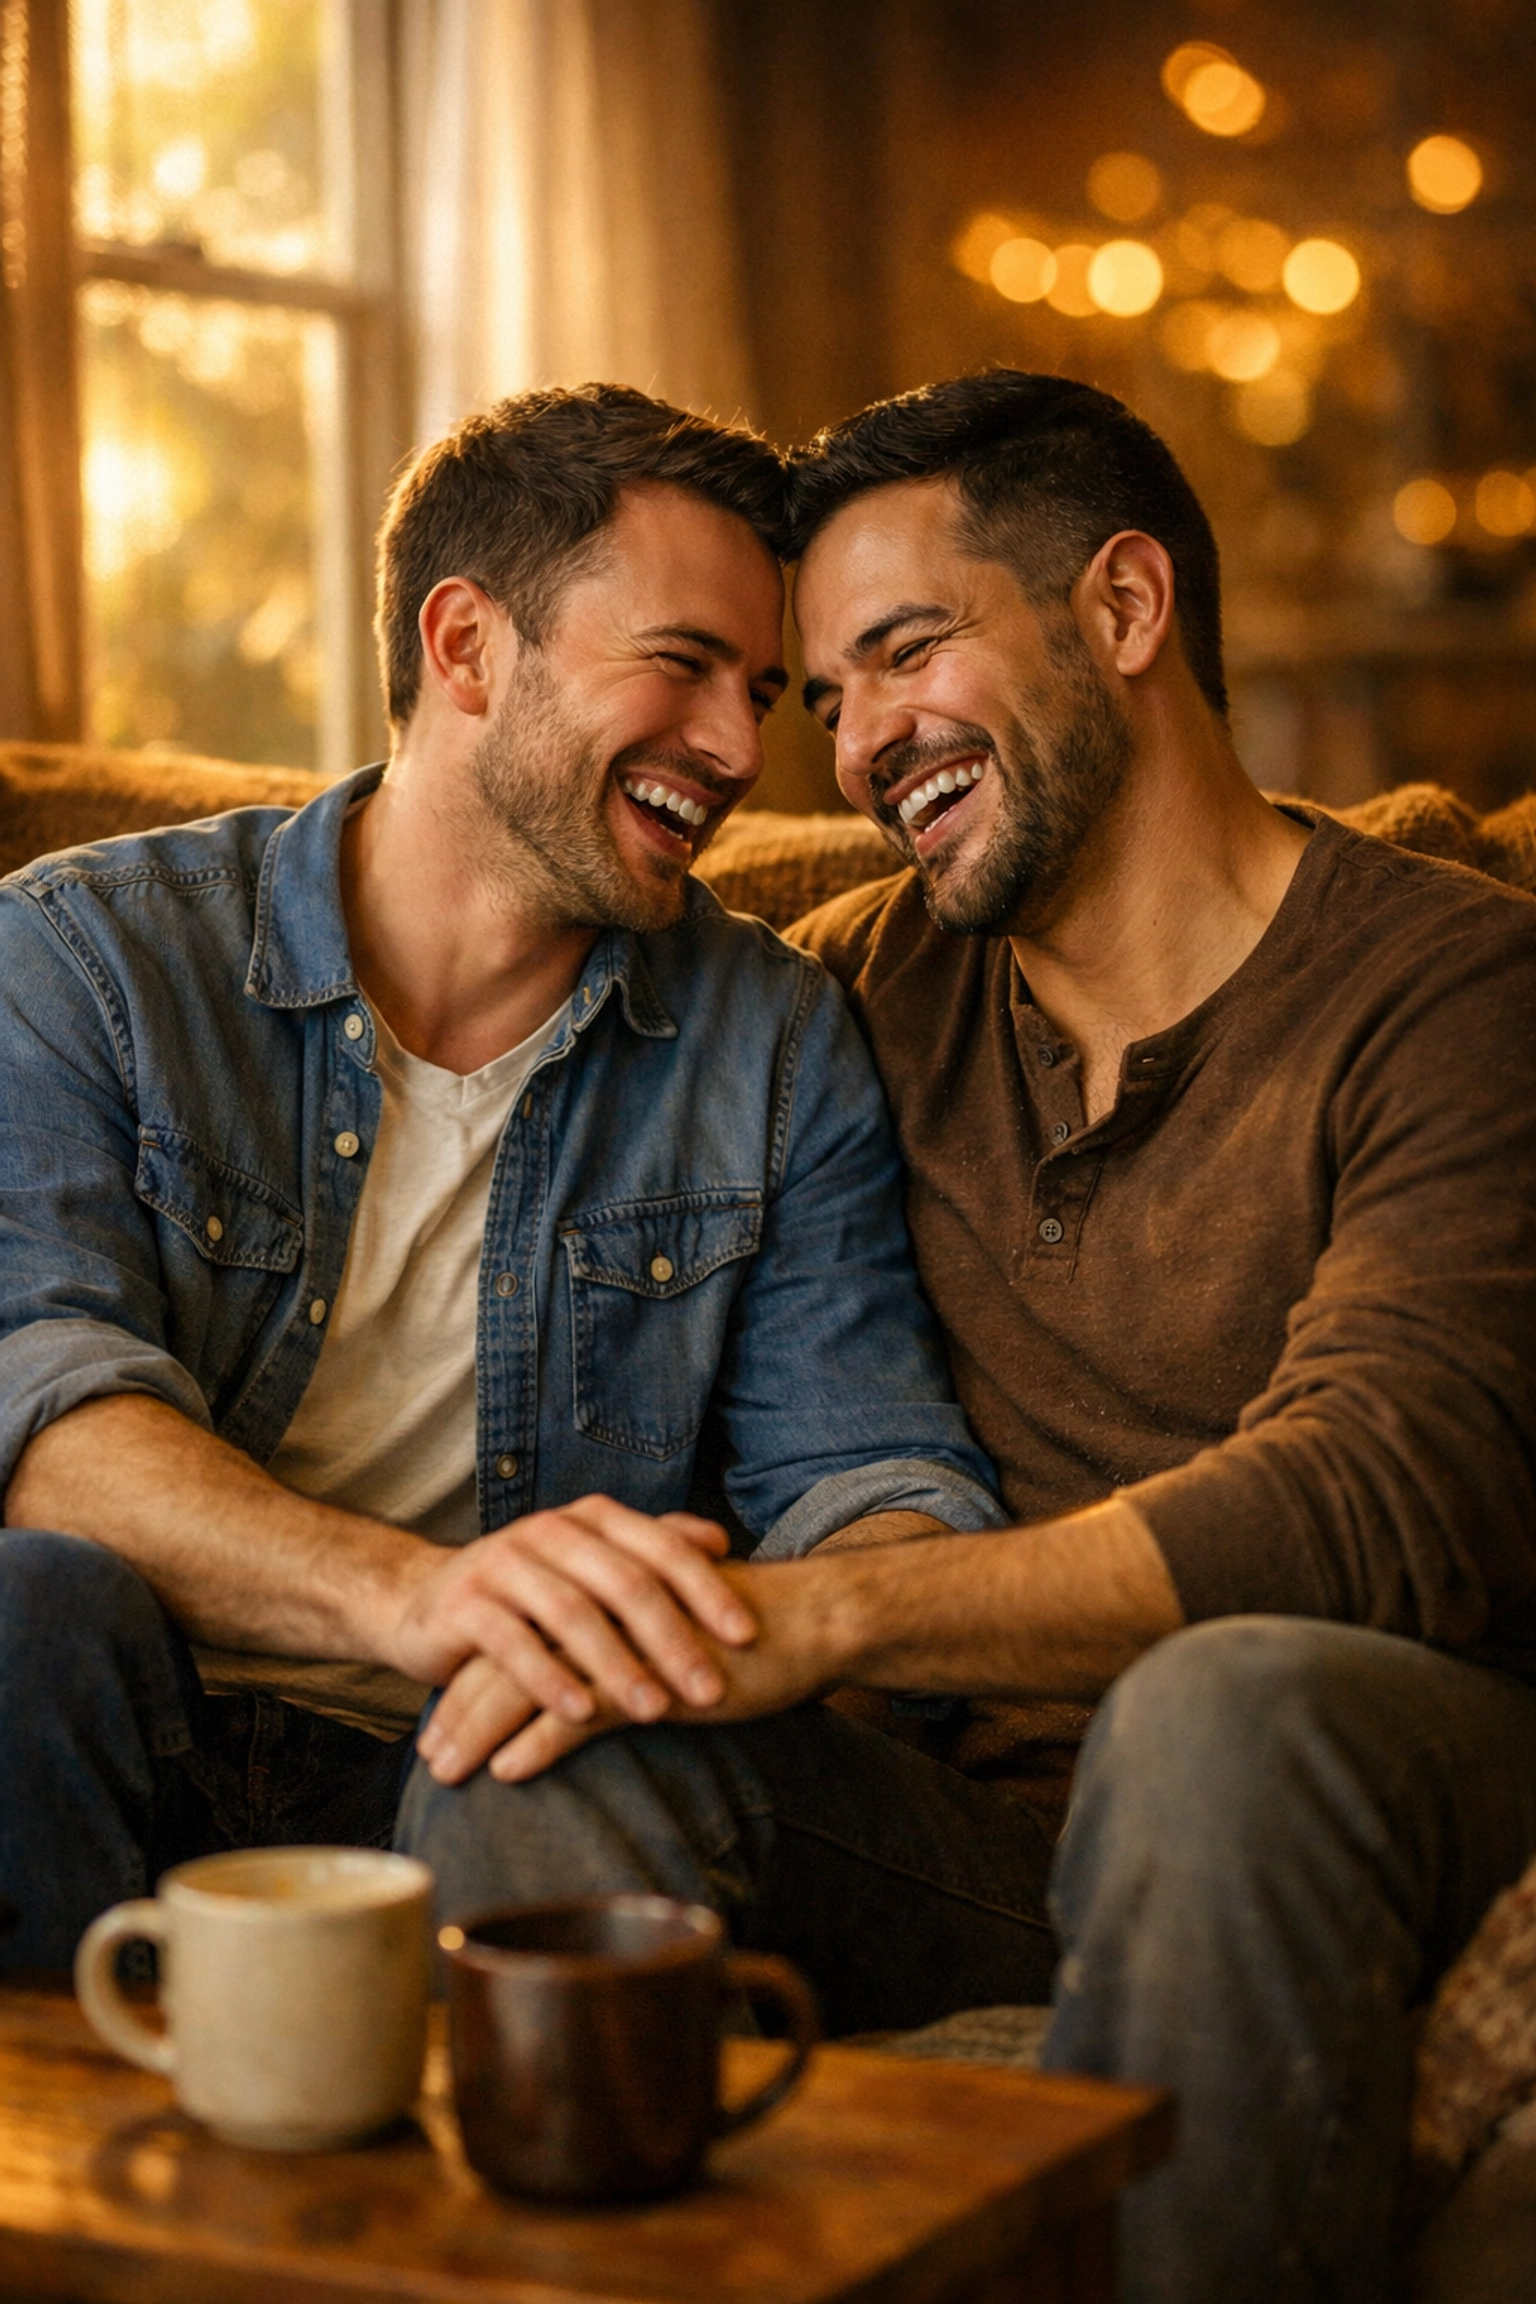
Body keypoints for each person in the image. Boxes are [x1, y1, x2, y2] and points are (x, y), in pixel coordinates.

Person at [416, 375, 1536, 2304]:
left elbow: (1384, 1495)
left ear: (1123, 609)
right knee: (542, 1732)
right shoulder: (859, 988)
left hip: (1374, 1770)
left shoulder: (1459, 990)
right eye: (824, 698)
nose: (855, 749)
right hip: (989, 1831)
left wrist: (837, 1613)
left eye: (903, 655)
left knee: (1222, 1707)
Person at [0, 382, 1007, 1976]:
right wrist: (423, 1598)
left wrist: (777, 1618)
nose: (745, 752)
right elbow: (39, 1414)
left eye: (764, 692)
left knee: (554, 1756)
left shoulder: (776, 1039)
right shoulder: (87, 956)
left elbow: (868, 1477)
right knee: (23, 1607)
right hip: (133, 1734)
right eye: (681, 667)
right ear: (464, 644)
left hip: (502, 1774)